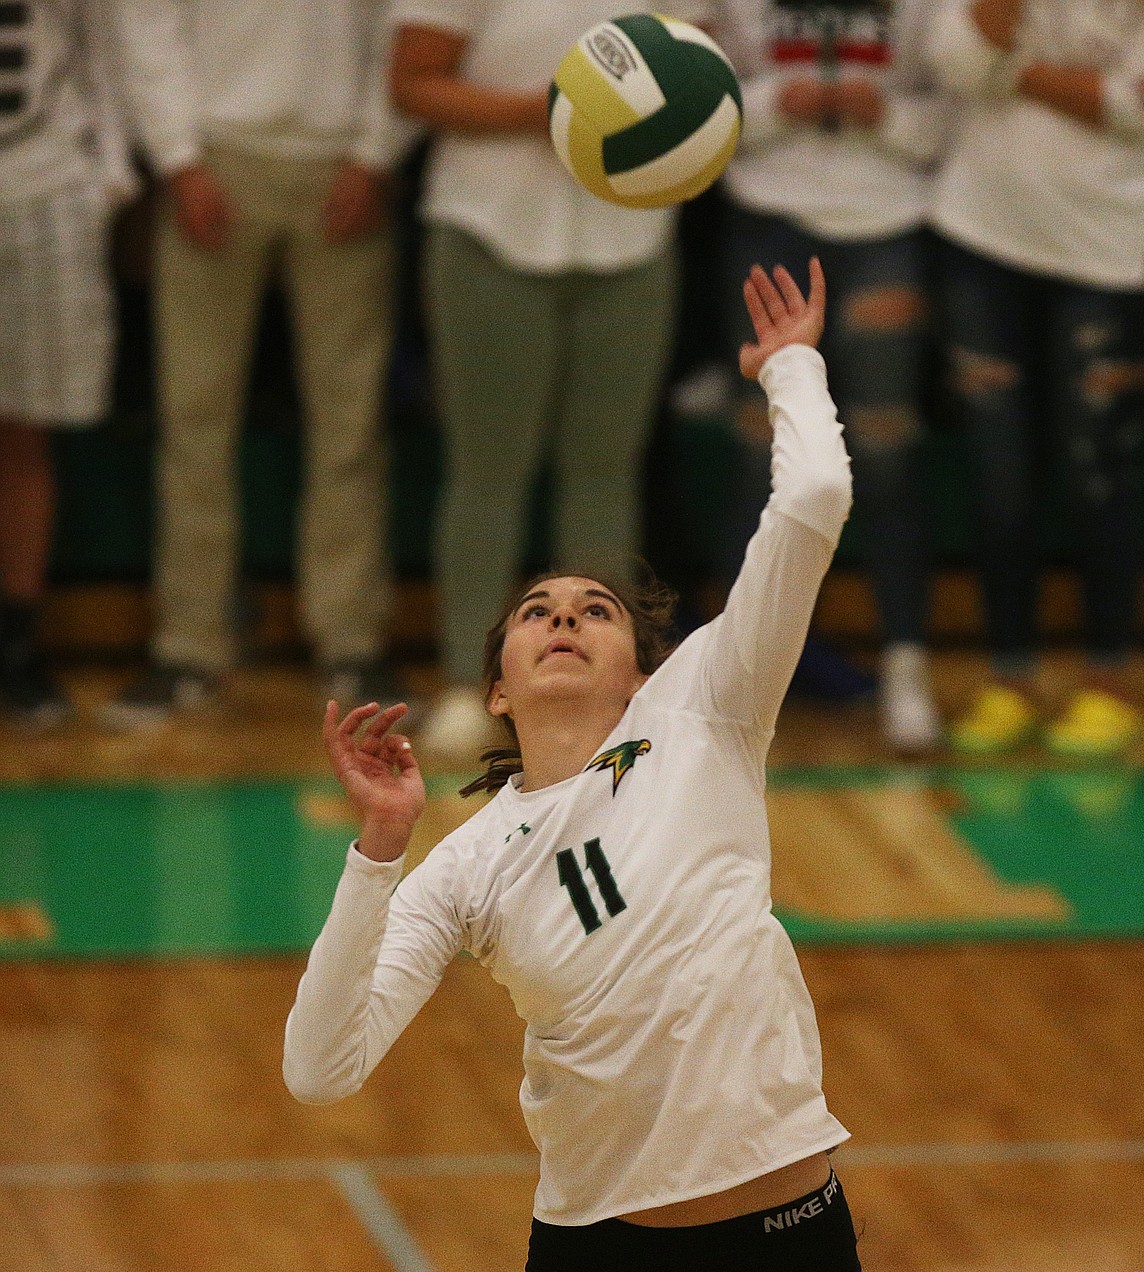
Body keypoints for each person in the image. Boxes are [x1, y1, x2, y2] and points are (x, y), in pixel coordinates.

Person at [284, 261, 867, 1272]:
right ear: (495, 689)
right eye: (536, 611)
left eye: (593, 608)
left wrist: (790, 365)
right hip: (597, 1268)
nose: (562, 617)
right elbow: (320, 1069)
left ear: (639, 668)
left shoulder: (703, 709)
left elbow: (809, 502)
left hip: (781, 1251)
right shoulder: (466, 862)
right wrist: (380, 853)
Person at [389, 0, 703, 764]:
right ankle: (471, 683)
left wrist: (659, 122)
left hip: (631, 237)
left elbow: (697, 74)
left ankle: (604, 694)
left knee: (604, 471)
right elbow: (414, 82)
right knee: (487, 470)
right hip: (489, 229)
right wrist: (558, 114)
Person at [102, 0, 417, 728]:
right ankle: (189, 649)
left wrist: (375, 151)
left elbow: (409, 20)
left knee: (350, 422)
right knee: (195, 420)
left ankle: (351, 642)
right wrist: (178, 156)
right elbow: (144, 21)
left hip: (345, 161)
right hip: (215, 154)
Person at [928, 0, 1144, 757]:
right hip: (981, 238)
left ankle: (1107, 679)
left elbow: (1139, 108)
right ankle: (1010, 675)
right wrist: (1017, 73)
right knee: (999, 477)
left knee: (1100, 474)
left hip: (1105, 249)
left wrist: (1013, 73)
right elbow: (957, 63)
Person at [712, 0, 950, 753]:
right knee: (759, 458)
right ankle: (736, 687)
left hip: (889, 225)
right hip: (766, 216)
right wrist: (778, 106)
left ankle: (906, 671)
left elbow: (960, 116)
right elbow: (692, 100)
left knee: (887, 453)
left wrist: (885, 114)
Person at [0, 0, 136, 725]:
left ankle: (18, 644)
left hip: (45, 182)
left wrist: (108, 171)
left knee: (27, 429)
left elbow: (104, 46)